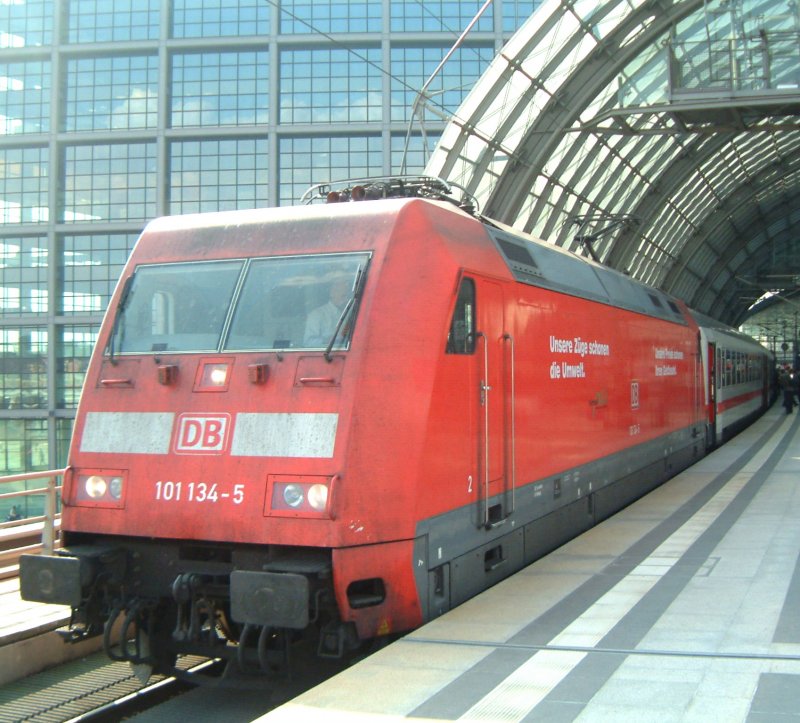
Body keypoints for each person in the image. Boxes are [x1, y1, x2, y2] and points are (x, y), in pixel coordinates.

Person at [304, 277, 352, 346]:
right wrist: (327, 340)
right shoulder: (317, 315)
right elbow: (308, 342)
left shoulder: (351, 314)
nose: (346, 299)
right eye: (343, 296)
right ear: (332, 293)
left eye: (348, 296)